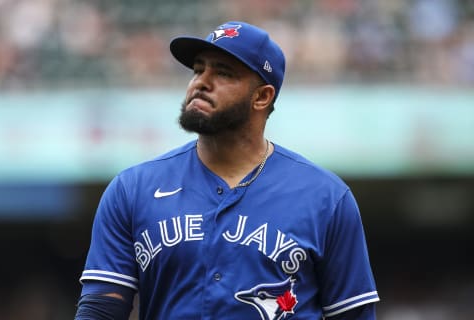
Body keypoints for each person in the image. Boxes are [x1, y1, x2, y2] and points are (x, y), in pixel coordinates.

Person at [74, 21, 379, 319]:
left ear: (262, 97)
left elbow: (353, 313)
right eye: (198, 69)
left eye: (222, 73)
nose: (201, 82)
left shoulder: (326, 197)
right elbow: (101, 309)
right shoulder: (132, 189)